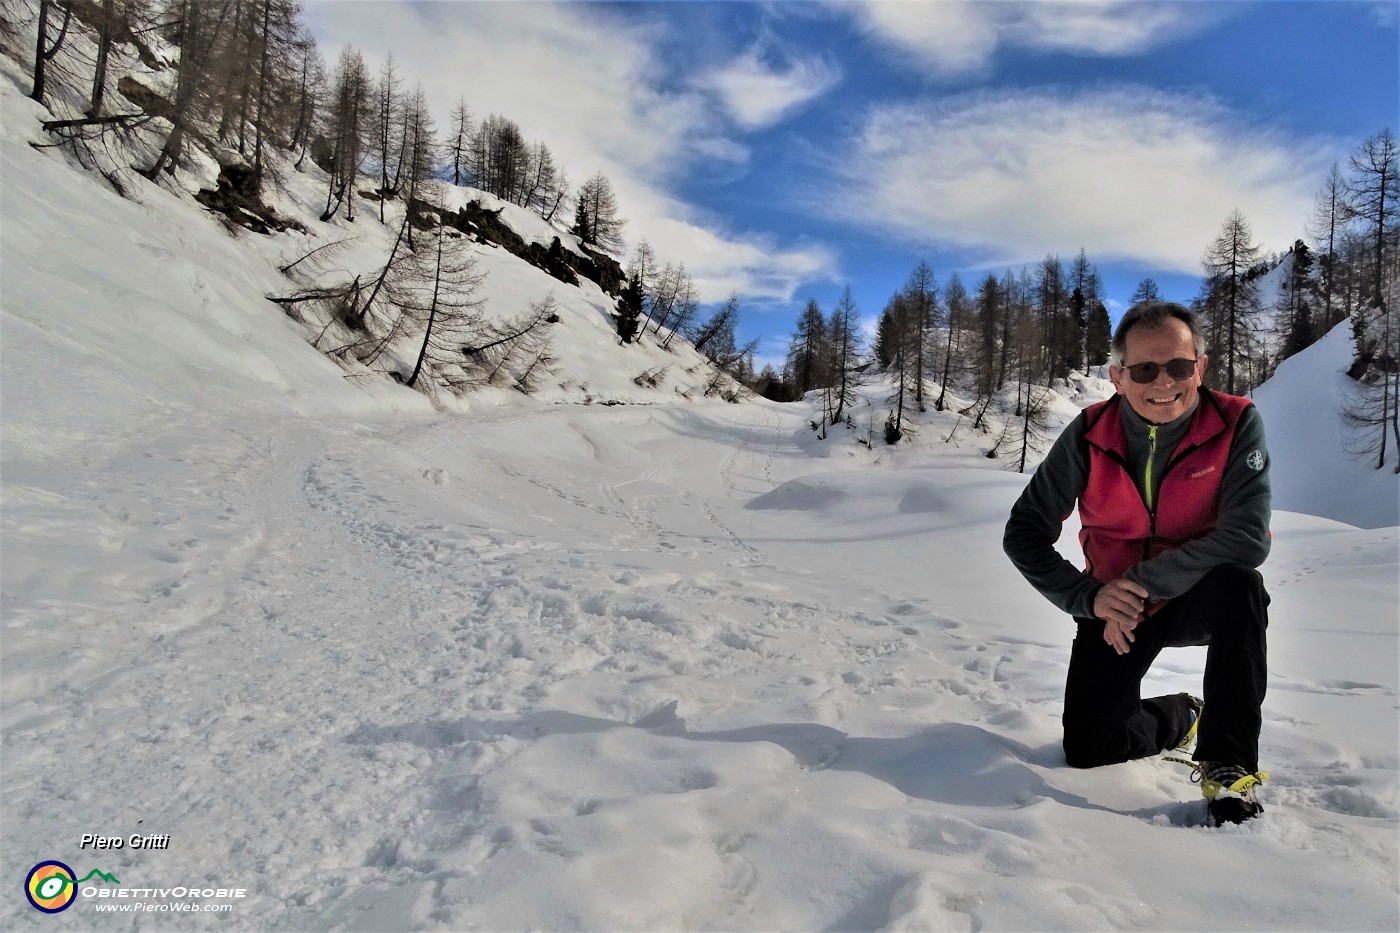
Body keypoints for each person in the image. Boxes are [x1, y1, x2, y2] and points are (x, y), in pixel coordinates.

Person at [1003, 301, 1272, 826]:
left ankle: (1229, 767)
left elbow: (1245, 538)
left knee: (1242, 586)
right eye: (1145, 369)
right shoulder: (1089, 433)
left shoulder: (1236, 422)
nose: (1164, 382)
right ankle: (1182, 714)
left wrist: (1138, 583)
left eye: (1178, 366)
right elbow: (1025, 532)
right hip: (1114, 613)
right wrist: (1089, 598)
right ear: (1118, 377)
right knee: (1089, 746)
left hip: (1192, 595)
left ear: (1201, 366)